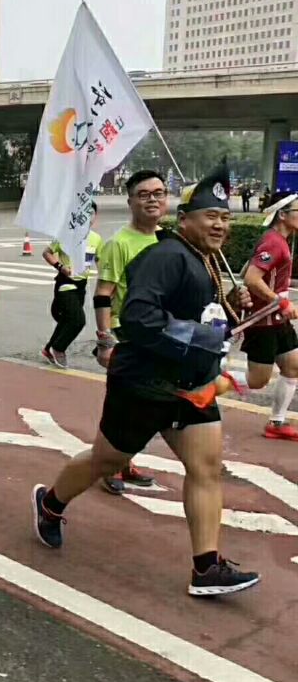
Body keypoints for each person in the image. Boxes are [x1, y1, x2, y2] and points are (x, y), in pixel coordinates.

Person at [31, 161, 261, 597]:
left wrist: (230, 305)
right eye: (210, 216)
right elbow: (138, 317)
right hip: (144, 384)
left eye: (225, 217)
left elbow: (199, 316)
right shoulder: (166, 256)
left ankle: (206, 567)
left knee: (206, 468)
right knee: (106, 461)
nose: (219, 225)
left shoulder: (204, 259)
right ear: (185, 219)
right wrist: (204, 337)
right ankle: (50, 503)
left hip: (192, 386)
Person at [93, 169, 168, 494]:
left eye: (158, 193)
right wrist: (105, 341)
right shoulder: (118, 243)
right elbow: (103, 294)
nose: (152, 200)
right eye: (143, 194)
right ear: (131, 201)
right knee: (121, 405)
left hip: (160, 335)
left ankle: (124, 461)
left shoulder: (168, 240)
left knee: (145, 406)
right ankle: (108, 464)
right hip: (127, 335)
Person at [241, 192, 298, 439]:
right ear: (282, 215)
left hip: (277, 318)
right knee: (257, 381)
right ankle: (209, 378)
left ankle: (277, 423)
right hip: (263, 319)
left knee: (294, 365)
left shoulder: (281, 240)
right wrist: (280, 301)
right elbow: (251, 278)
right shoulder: (274, 242)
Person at [41, 201, 103, 368]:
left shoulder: (96, 238)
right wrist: (60, 266)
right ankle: (59, 348)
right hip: (65, 284)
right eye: (85, 213)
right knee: (78, 320)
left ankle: (47, 349)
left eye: (91, 213)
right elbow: (47, 252)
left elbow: (99, 260)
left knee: (67, 320)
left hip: (82, 286)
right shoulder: (66, 234)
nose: (88, 217)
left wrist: (105, 279)